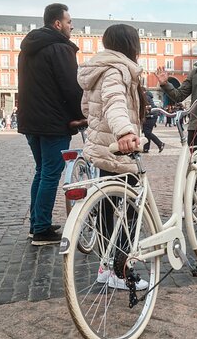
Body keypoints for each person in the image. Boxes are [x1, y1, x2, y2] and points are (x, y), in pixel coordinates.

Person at [78, 23, 148, 290]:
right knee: (130, 211)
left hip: (103, 148)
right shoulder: (117, 70)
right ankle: (121, 270)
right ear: (131, 44)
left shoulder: (98, 68)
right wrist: (125, 131)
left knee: (108, 208)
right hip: (120, 149)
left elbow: (87, 107)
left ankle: (106, 266)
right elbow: (115, 102)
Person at [18, 3, 84, 246]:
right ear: (57, 23)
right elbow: (70, 86)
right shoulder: (59, 48)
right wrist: (81, 114)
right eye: (69, 21)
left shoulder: (29, 47)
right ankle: (42, 230)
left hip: (31, 120)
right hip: (53, 121)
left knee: (41, 171)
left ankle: (37, 223)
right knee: (50, 173)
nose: (72, 25)